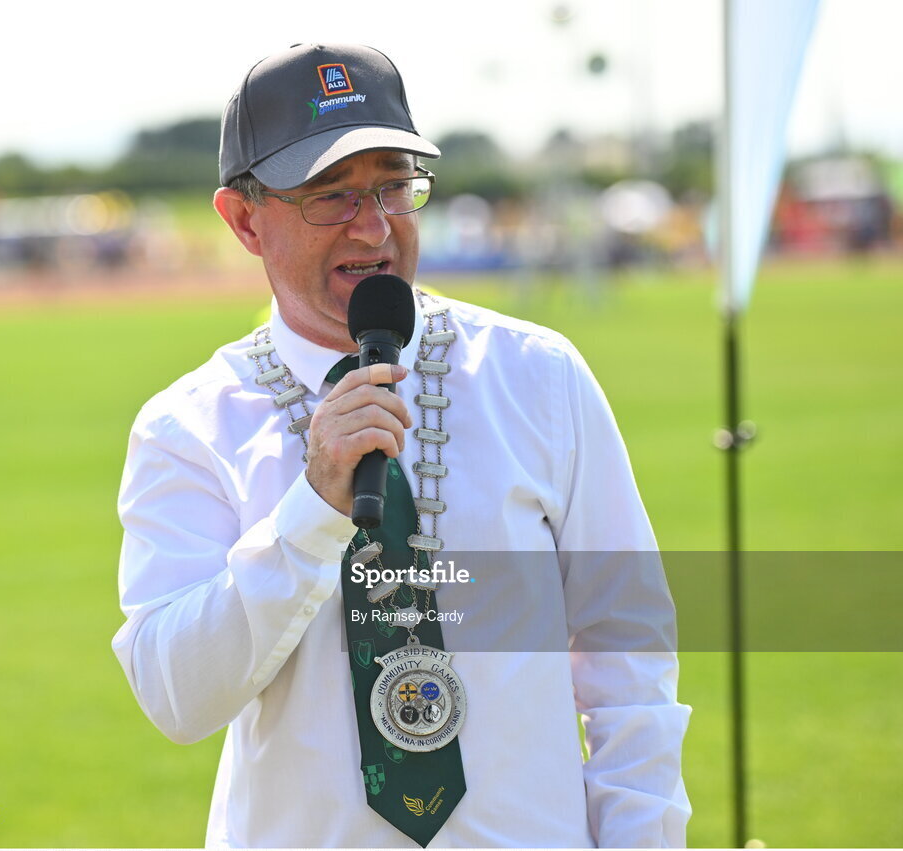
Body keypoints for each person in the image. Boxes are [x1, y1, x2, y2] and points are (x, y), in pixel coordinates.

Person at [112, 42, 691, 848]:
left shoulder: (538, 374)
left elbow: (628, 650)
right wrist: (311, 511)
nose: (374, 226)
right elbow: (176, 697)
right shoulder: (190, 426)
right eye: (331, 195)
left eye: (393, 185)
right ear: (244, 219)